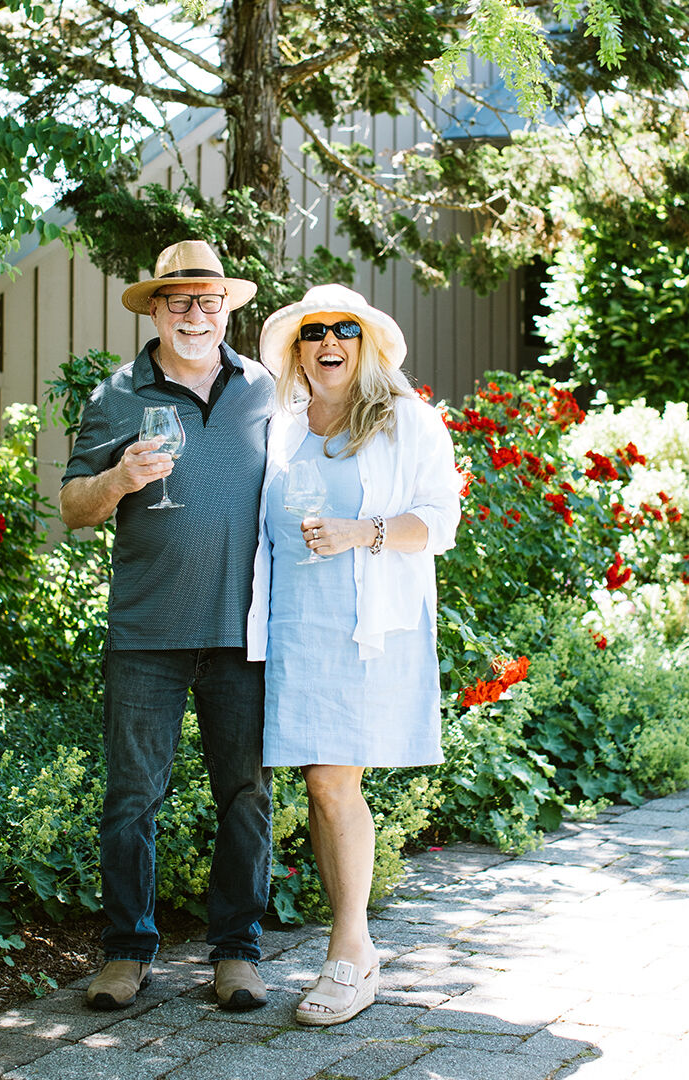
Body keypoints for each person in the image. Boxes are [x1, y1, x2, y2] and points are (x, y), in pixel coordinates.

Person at [60, 239, 274, 1013]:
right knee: (131, 798)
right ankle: (126, 952)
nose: (194, 315)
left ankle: (238, 952)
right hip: (147, 631)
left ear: (226, 309)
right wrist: (121, 478)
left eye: (208, 301)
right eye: (178, 301)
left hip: (242, 629)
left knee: (246, 794)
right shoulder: (117, 396)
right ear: (154, 308)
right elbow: (74, 509)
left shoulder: (263, 389)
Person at [245, 284, 462, 1026]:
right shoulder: (282, 426)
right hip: (292, 628)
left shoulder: (405, 421)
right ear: (298, 350)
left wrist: (359, 531)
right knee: (320, 786)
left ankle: (350, 954)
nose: (328, 341)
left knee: (334, 783)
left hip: (366, 629)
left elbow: (440, 522)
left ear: (365, 344)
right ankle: (355, 948)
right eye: (313, 332)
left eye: (344, 329)